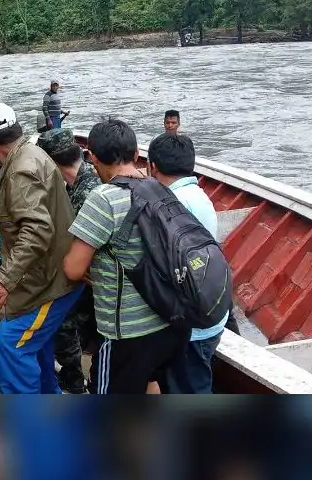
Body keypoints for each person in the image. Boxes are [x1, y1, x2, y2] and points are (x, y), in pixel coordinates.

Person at [63, 118, 190, 394]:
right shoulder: (161, 190)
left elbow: (73, 269)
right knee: (149, 383)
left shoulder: (103, 198)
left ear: (92, 157)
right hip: (169, 322)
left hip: (125, 334)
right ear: (136, 155)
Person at [0, 103, 83, 394]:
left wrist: (3, 280)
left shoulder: (21, 169)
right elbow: (38, 212)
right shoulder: (32, 153)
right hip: (57, 271)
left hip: (50, 282)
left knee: (10, 343)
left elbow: (37, 229)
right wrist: (6, 221)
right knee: (36, 344)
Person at [147, 133, 226, 394]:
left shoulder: (172, 204)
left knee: (189, 388)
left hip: (191, 325)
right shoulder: (198, 195)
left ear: (153, 167)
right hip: (211, 310)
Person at [35, 128, 102, 394]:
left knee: (64, 321)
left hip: (93, 277)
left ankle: (76, 379)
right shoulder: (75, 182)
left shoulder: (88, 193)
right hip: (86, 272)